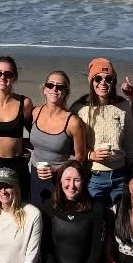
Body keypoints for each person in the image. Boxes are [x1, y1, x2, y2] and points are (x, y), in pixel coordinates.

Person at [76, 58, 133, 206]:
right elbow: (72, 145)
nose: (103, 83)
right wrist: (91, 154)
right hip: (93, 175)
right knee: (96, 217)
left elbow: (130, 143)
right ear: (91, 81)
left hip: (120, 173)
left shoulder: (122, 106)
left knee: (121, 218)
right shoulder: (80, 108)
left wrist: (132, 173)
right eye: (98, 78)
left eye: (108, 79)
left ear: (113, 82)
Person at [28, 71, 89, 210]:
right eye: (50, 85)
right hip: (34, 174)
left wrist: (59, 169)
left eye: (60, 87)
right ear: (44, 89)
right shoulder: (35, 112)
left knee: (55, 219)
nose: (54, 89)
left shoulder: (73, 122)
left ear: (65, 92)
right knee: (36, 216)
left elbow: (80, 155)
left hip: (59, 180)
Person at [0, 55, 33, 203]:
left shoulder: (25, 103)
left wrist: (22, 144)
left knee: (17, 207)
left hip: (15, 163)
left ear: (14, 77)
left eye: (7, 74)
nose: (2, 77)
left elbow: (35, 134)